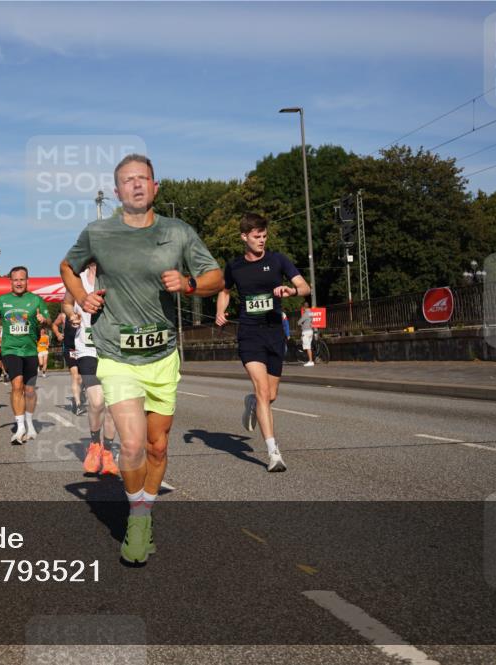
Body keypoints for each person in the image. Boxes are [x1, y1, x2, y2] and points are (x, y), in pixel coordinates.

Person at [61, 153, 224, 565]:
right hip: (116, 353)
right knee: (131, 444)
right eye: (128, 180)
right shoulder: (99, 232)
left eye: (143, 179)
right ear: (117, 192)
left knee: (157, 446)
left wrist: (188, 284)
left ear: (155, 187)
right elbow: (67, 265)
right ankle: (136, 517)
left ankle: (145, 509)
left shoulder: (179, 232)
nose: (136, 185)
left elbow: (215, 278)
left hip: (162, 354)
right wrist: (83, 298)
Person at [215, 212, 311, 473]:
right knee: (261, 389)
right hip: (249, 333)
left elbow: (305, 287)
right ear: (244, 237)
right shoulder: (235, 266)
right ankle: (273, 452)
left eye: (264, 236)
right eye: (257, 237)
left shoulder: (278, 260)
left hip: (274, 333)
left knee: (270, 395)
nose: (262, 241)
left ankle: (252, 403)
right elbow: (224, 291)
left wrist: (291, 290)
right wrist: (220, 311)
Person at [65, 260, 119, 476]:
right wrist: (71, 316)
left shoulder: (116, 276)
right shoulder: (78, 280)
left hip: (113, 350)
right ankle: (95, 444)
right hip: (87, 349)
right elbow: (67, 303)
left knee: (113, 405)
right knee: (97, 401)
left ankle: (107, 452)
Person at [0, 266, 49, 444]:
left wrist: (44, 320)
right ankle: (19, 428)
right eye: (15, 280)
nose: (19, 283)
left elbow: (49, 320)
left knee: (30, 390)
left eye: (22, 279)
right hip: (10, 349)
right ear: (10, 282)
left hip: (30, 350)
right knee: (17, 385)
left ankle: (29, 422)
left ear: (27, 280)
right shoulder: (2, 300)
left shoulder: (36, 300)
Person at [53, 310, 83, 414]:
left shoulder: (85, 313)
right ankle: (78, 404)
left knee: (83, 378)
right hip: (70, 349)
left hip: (84, 349)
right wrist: (58, 334)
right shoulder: (63, 316)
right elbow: (54, 325)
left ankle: (77, 397)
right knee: (76, 376)